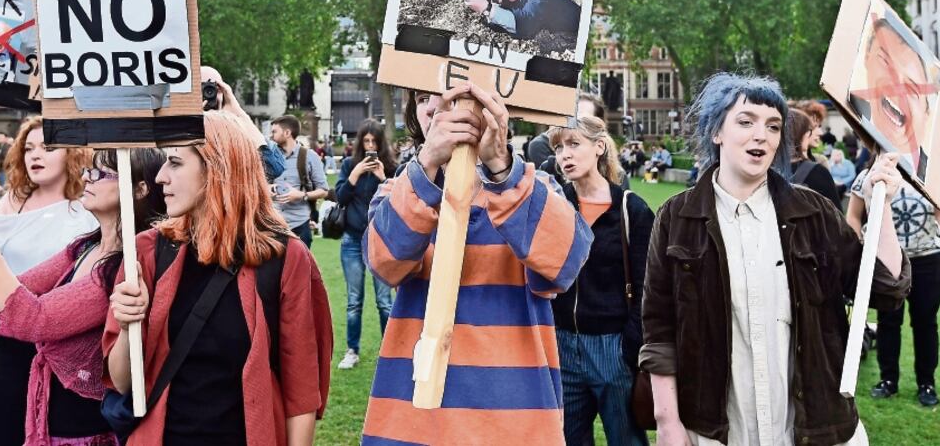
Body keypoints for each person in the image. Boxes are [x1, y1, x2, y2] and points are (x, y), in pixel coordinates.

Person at [640, 72, 910, 446]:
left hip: (812, 427)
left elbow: (885, 290)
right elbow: (659, 329)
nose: (760, 135)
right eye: (745, 122)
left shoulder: (813, 212)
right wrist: (668, 422)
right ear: (716, 132)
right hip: (719, 429)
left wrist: (884, 206)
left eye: (773, 126)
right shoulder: (676, 218)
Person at [360, 85, 593, 444]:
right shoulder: (397, 191)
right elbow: (385, 264)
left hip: (512, 420)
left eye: (456, 97)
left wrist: (501, 168)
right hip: (414, 422)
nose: (437, 107)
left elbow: (564, 264)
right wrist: (427, 168)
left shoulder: (536, 186)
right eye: (424, 99)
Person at [105, 111, 334, 445]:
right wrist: (128, 326)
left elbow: (301, 388)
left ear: (217, 169)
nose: (160, 177)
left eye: (174, 163)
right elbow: (122, 381)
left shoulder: (286, 259)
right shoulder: (146, 253)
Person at [0, 148, 167, 445]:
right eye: (89, 171)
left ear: (140, 189)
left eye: (101, 173)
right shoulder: (84, 248)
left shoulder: (125, 266)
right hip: (51, 415)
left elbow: (34, 319)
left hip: (83, 429)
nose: (87, 179)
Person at [0, 116, 97, 445]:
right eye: (28, 148)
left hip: (62, 352)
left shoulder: (92, 206)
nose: (34, 155)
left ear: (72, 153)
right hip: (10, 345)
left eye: (47, 147)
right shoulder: (13, 200)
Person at [549, 116, 652, 445]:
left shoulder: (630, 209)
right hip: (562, 344)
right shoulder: (555, 206)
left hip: (612, 346)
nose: (565, 154)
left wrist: (628, 346)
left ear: (599, 147)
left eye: (574, 144)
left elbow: (649, 287)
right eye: (559, 147)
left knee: (626, 440)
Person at [847, 156, 940, 406]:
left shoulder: (926, 177)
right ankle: (888, 380)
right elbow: (853, 216)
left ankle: (927, 383)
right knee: (888, 322)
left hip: (928, 260)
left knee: (926, 323)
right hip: (886, 262)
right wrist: (860, 247)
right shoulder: (867, 176)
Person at [335, 119, 396, 370]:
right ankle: (352, 350)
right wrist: (355, 174)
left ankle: (389, 350)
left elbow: (401, 202)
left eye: (374, 142)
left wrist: (383, 177)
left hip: (380, 239)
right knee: (354, 300)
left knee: (385, 301)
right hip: (352, 239)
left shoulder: (391, 168)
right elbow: (339, 197)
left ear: (381, 144)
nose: (370, 146)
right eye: (366, 141)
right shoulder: (350, 165)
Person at [848, 16, 934, 181]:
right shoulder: (850, 106)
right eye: (886, 62)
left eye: (912, 89)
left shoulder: (933, 178)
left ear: (926, 113)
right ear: (867, 55)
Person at [201, 65, 286, 182]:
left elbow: (274, 167)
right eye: (201, 89)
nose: (208, 94)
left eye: (214, 89)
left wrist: (240, 114)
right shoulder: (179, 135)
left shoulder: (236, 137)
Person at [270, 114, 330, 247]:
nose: (271, 135)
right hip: (273, 225)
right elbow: (258, 185)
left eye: (274, 131)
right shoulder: (269, 156)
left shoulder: (309, 156)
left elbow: (324, 191)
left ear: (287, 133)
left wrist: (302, 195)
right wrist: (268, 189)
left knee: (300, 268)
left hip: (300, 225)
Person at [787, 107, 841, 208]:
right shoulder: (817, 171)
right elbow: (836, 217)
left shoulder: (820, 161)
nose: (820, 132)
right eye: (813, 127)